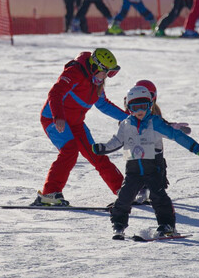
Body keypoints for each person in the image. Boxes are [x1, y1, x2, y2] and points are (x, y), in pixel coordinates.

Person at [92, 85, 199, 239]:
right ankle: (118, 225)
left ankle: (167, 225)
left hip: (154, 168)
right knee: (124, 197)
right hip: (133, 170)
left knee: (159, 197)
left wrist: (193, 146)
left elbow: (175, 135)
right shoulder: (126, 124)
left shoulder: (155, 122)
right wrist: (103, 148)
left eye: (143, 106)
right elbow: (117, 141)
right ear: (128, 107)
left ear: (150, 105)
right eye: (134, 107)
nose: (140, 111)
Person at [33, 48, 128, 206]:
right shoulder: (74, 72)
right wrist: (58, 116)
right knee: (69, 150)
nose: (106, 77)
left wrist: (128, 118)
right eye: (105, 73)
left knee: (96, 153)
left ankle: (123, 190)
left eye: (109, 74)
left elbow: (103, 104)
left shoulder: (96, 83)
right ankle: (49, 194)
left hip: (75, 123)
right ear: (95, 67)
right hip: (53, 118)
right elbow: (55, 93)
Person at [125, 79, 191, 205]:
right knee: (136, 169)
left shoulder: (155, 110)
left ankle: (155, 191)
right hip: (136, 147)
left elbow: (162, 126)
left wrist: (173, 127)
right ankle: (138, 190)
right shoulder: (130, 108)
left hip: (154, 147)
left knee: (157, 168)